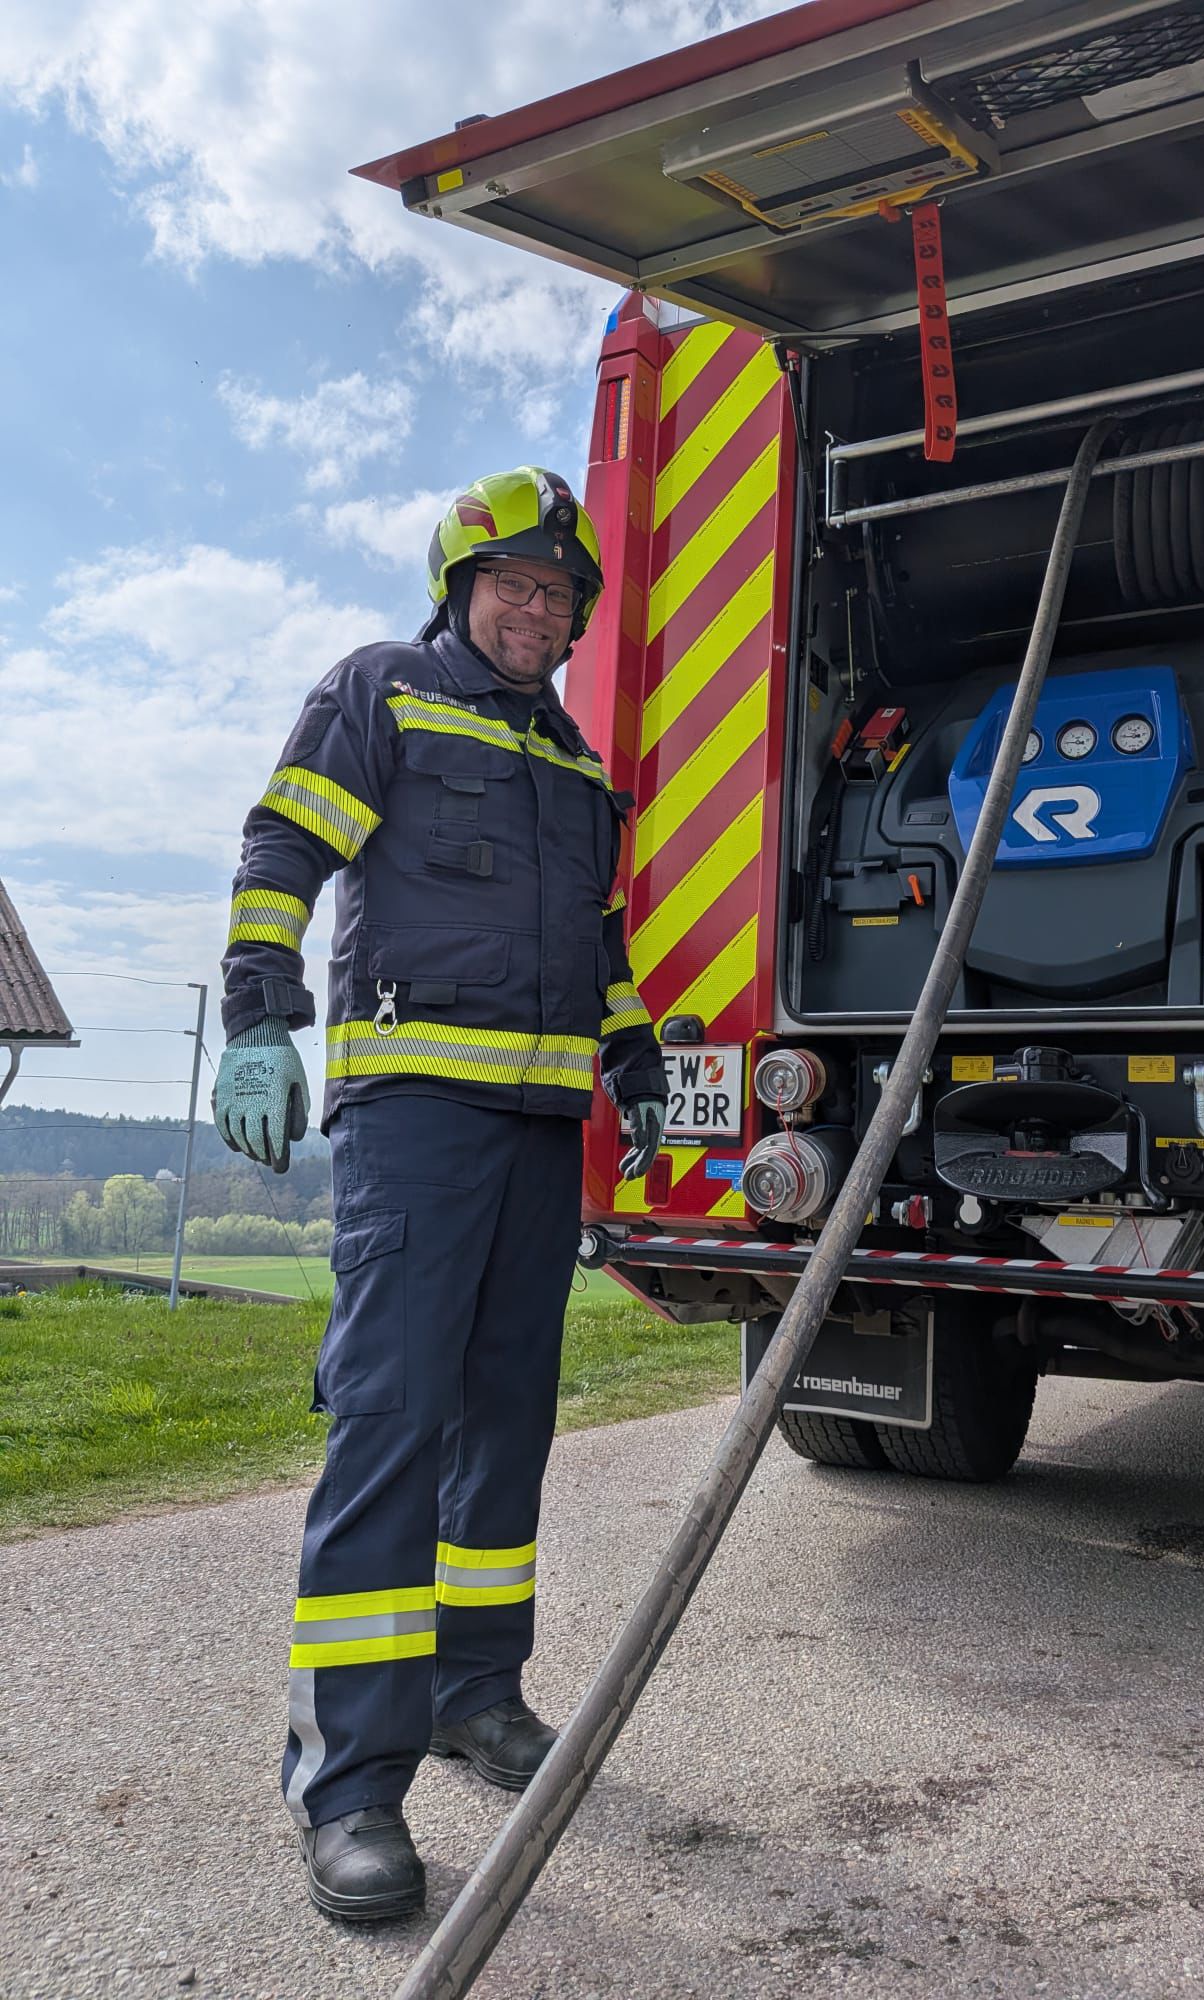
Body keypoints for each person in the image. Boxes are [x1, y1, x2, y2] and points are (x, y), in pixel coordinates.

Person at [211, 467, 667, 1922]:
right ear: (462, 590)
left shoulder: (581, 767)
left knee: (504, 1426)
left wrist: (637, 1061)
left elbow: (598, 946)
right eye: (512, 586)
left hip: (539, 1133)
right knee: (391, 1429)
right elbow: (285, 843)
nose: (535, 610)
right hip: (414, 1123)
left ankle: (478, 1696)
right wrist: (260, 1011)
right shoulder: (386, 691)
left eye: (556, 593)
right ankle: (345, 1787)